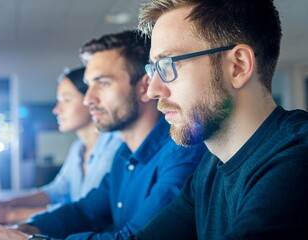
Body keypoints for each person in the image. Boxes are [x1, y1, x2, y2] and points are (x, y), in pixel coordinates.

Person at [0, 30, 207, 240]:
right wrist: (20, 230)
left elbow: (133, 238)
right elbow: (84, 211)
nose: (89, 99)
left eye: (103, 83)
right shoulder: (123, 155)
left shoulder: (182, 151)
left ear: (144, 87)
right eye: (89, 86)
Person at [130, 0, 308, 239]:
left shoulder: (297, 159)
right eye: (154, 69)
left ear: (237, 66)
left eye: (169, 64)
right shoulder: (210, 168)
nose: (152, 90)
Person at [0, 67, 123, 224]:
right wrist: (3, 204)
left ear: (90, 100)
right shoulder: (78, 148)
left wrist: (9, 215)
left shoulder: (116, 146)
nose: (56, 109)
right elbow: (56, 192)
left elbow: (85, 210)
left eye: (66, 99)